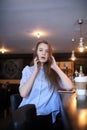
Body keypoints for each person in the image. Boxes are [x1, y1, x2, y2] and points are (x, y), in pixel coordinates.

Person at [18, 40, 74, 129]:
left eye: (47, 51)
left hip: (45, 114)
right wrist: (35, 71)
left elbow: (70, 87)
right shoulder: (27, 70)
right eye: (40, 50)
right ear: (36, 53)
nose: (43, 53)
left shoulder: (53, 73)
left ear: (49, 56)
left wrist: (56, 67)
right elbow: (23, 93)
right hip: (27, 113)